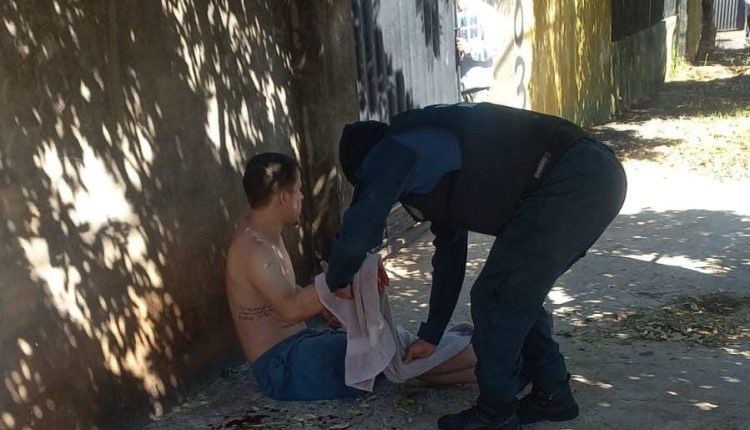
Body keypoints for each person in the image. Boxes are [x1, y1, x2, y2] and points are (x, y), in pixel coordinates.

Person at [326, 102, 627, 429]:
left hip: (573, 178)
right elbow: (449, 258)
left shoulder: (393, 150)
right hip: (591, 176)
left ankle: (496, 411)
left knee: (497, 295)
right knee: (517, 292)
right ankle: (553, 396)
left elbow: (358, 231)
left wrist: (337, 279)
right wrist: (431, 334)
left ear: (366, 166)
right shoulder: (428, 161)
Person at [226, 152, 477, 401]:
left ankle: (487, 369)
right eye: (298, 190)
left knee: (391, 349)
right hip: (283, 366)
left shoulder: (263, 236)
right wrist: (344, 273)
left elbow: (280, 292)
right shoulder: (254, 249)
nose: (301, 197)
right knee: (389, 354)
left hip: (297, 349)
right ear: (283, 197)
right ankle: (489, 358)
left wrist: (328, 304)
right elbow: (291, 310)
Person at [456, 0, 500, 101]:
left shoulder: (485, 11)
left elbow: (494, 46)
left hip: (479, 87)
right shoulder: (452, 12)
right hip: (455, 87)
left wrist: (469, 49)